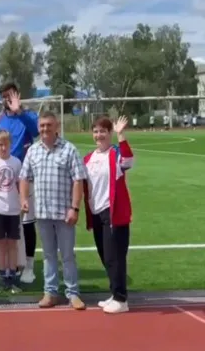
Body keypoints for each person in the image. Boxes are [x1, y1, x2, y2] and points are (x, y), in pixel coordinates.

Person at [19, 111, 88, 310]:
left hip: (64, 213)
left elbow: (78, 180)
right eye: (42, 125)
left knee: (67, 256)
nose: (45, 129)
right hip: (42, 213)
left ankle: (73, 293)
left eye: (49, 125)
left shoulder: (69, 149)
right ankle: (50, 292)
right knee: (48, 256)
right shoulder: (33, 151)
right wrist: (23, 199)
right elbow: (24, 177)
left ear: (56, 126)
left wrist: (74, 208)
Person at [0, 82, 39, 284]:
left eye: (11, 95)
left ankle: (29, 266)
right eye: (4, 96)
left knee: (27, 223)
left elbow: (36, 131)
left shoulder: (28, 116)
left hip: (25, 179)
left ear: (18, 95)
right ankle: (7, 267)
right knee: (5, 229)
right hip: (4, 183)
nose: (8, 99)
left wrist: (20, 112)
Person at [83, 116, 134, 314]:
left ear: (109, 133)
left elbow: (128, 161)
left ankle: (121, 299)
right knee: (105, 256)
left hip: (113, 213)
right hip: (96, 213)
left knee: (115, 257)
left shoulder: (115, 154)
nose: (99, 135)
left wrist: (122, 135)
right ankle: (114, 293)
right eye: (96, 131)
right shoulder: (88, 158)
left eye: (103, 131)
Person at [0, 130, 23, 294]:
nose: (3, 147)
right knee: (0, 244)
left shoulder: (16, 162)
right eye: (0, 144)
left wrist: (22, 202)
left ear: (10, 145)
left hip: (13, 209)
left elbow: (20, 184)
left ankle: (12, 276)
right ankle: (2, 276)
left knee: (12, 244)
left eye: (6, 144)